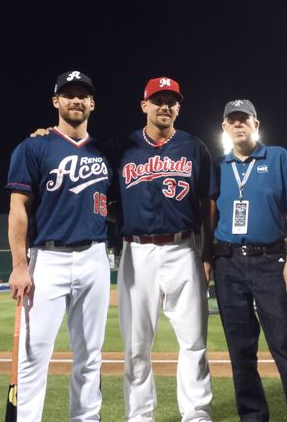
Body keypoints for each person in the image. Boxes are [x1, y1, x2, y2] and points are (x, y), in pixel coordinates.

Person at [205, 99, 287, 421]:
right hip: (227, 263)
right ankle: (253, 416)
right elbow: (210, 214)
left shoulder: (278, 157)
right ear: (225, 128)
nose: (239, 124)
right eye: (233, 120)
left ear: (256, 124)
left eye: (245, 119)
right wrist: (206, 258)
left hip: (270, 260)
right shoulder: (219, 165)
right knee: (241, 352)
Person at [7, 70, 112, 421]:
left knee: (90, 355)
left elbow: (111, 207)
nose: (77, 100)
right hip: (47, 258)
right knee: (34, 353)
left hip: (96, 256)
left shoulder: (105, 153)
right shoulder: (33, 147)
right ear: (56, 101)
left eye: (83, 94)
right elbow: (18, 207)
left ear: (92, 103)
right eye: (69, 94)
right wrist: (19, 264)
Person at [113, 77, 213, 422]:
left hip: (183, 249)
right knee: (136, 345)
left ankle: (196, 413)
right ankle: (140, 415)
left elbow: (206, 205)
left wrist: (206, 254)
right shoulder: (123, 148)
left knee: (194, 340)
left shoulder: (194, 147)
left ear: (179, 107)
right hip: (137, 253)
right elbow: (107, 198)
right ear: (144, 105)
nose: (165, 106)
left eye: (172, 101)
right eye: (158, 100)